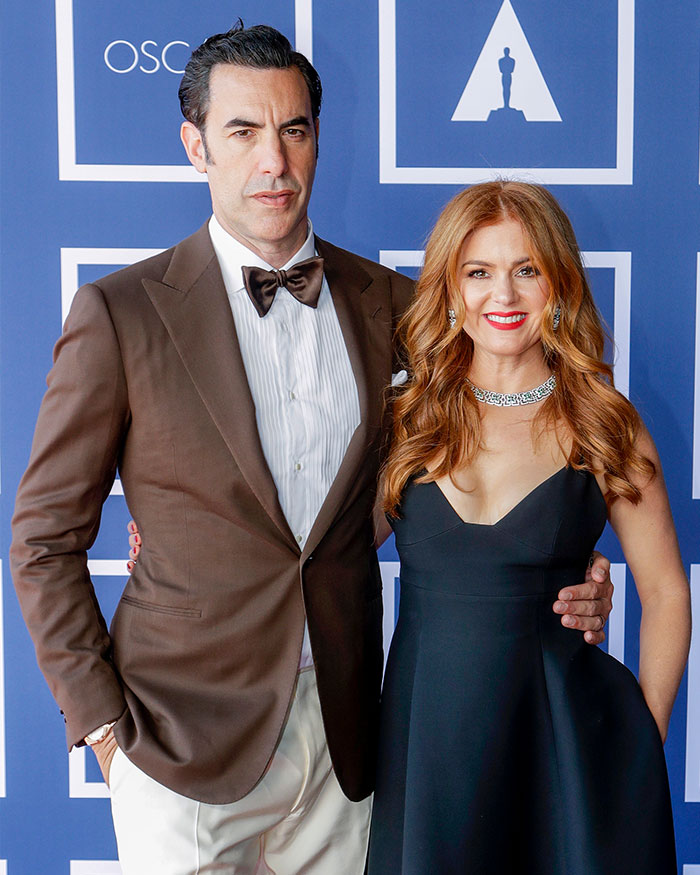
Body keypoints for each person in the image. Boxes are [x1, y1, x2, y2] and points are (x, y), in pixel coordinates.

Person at [10, 23, 613, 875]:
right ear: (196, 146)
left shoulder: (399, 306)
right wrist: (105, 729)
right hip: (178, 742)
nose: (274, 161)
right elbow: (43, 538)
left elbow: (509, 431)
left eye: (293, 129)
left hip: (348, 740)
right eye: (242, 131)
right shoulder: (122, 314)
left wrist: (567, 563)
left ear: (318, 139)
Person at [367, 181, 690, 874]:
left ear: (559, 283)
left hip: (565, 751)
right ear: (451, 287)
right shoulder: (406, 419)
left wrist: (643, 743)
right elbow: (323, 554)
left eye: (526, 270)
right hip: (429, 747)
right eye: (478, 272)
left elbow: (666, 592)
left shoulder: (605, 424)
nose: (503, 295)